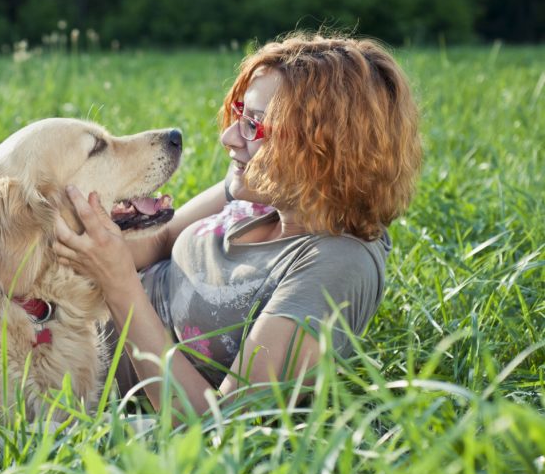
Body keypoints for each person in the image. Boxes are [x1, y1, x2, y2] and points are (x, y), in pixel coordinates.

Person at [54, 32, 422, 416]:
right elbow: (161, 239)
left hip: (65, 373)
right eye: (239, 114)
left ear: (326, 148)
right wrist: (71, 246)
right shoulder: (265, 193)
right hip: (55, 309)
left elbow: (226, 420)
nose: (228, 137)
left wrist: (117, 284)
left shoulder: (337, 264)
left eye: (254, 125)